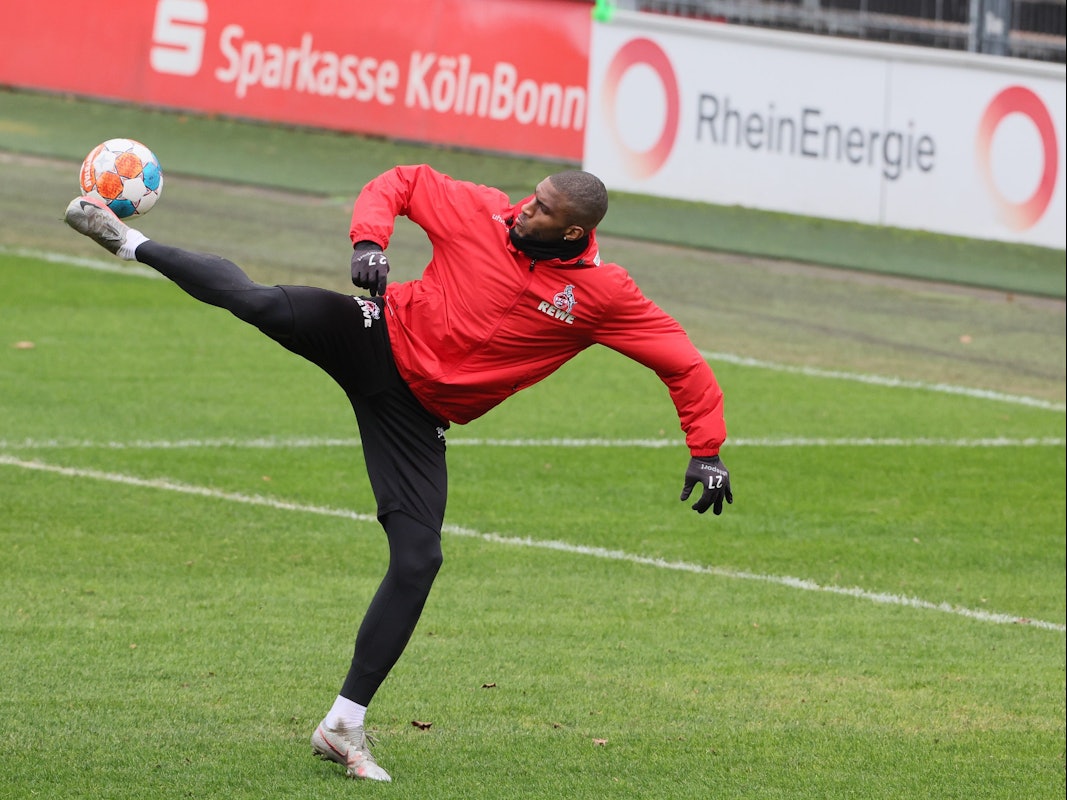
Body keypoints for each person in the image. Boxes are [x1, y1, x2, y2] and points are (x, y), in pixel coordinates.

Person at [63, 164, 732, 783]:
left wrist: (705, 449)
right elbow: (401, 182)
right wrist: (368, 242)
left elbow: (682, 362)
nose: (523, 211)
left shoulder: (602, 294)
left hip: (416, 418)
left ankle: (343, 724)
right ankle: (128, 242)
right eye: (531, 197)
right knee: (261, 303)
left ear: (574, 231)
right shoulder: (481, 212)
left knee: (418, 559)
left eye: (543, 210)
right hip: (373, 332)